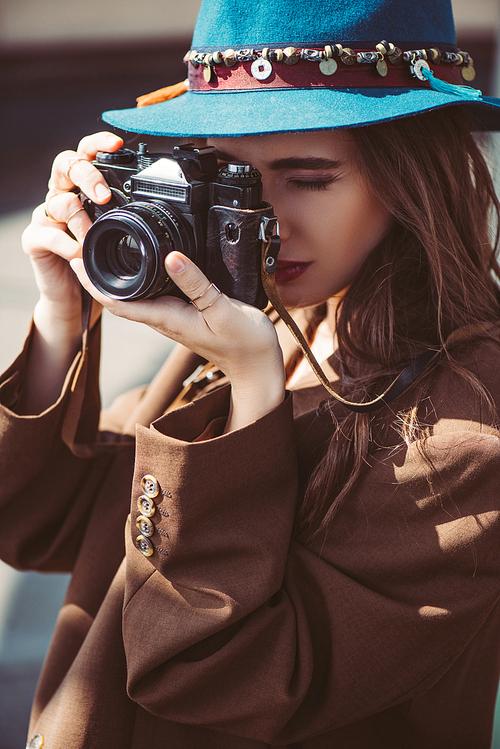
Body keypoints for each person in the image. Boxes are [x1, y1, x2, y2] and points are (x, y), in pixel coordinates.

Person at [3, 0, 500, 746]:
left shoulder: (467, 429)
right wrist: (59, 320)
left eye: (307, 178)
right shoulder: (266, 321)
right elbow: (42, 519)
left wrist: (254, 391)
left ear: (411, 177)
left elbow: (216, 676)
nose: (266, 220)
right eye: (229, 178)